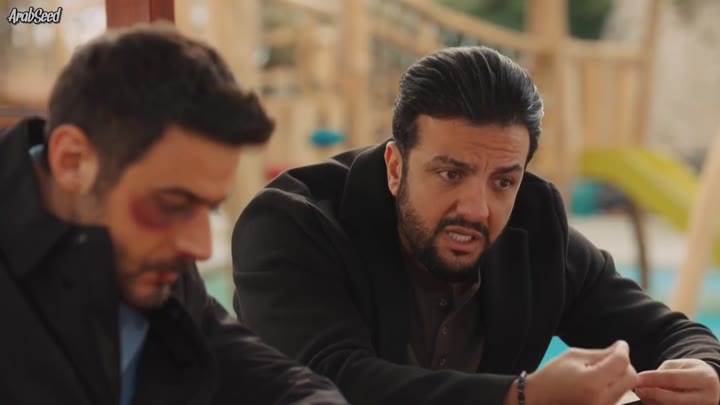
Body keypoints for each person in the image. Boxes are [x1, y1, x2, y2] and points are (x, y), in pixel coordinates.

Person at [231, 46, 720, 405]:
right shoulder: (291, 225)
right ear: (396, 167)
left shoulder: (534, 226)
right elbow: (333, 380)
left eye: (503, 181)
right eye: (451, 174)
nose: (477, 208)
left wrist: (705, 371)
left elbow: (670, 333)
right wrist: (520, 396)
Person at [0, 23, 349, 405]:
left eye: (208, 208)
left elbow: (242, 365)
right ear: (72, 161)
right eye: (173, 205)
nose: (200, 247)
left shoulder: (151, 256)